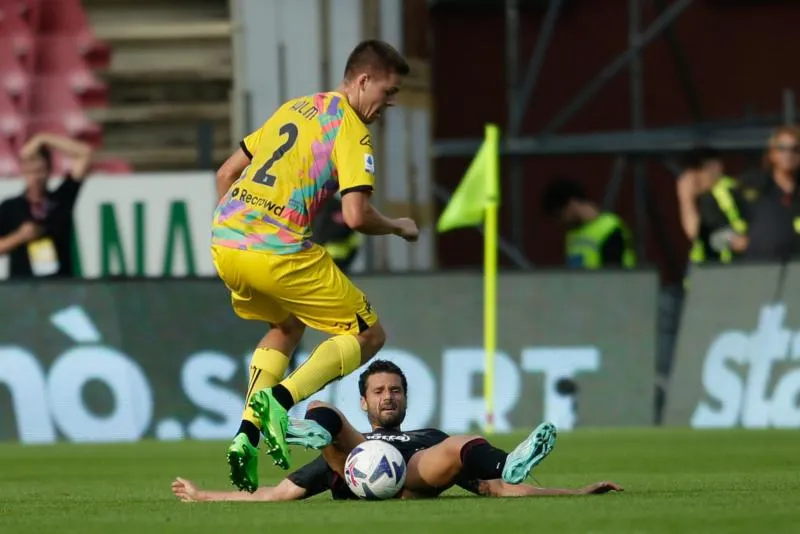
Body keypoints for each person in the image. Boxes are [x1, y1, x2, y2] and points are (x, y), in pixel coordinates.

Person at [210, 39, 419, 491]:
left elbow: (226, 174)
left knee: (285, 326)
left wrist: (237, 229)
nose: (388, 103)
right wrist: (399, 226)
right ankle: (278, 401)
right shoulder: (351, 130)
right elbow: (357, 216)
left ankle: (245, 436)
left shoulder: (296, 108)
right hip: (277, 248)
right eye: (388, 91)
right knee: (367, 334)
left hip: (226, 241)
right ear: (363, 81)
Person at [171, 360, 623, 502]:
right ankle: (299, 428)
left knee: (461, 442)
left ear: (405, 398)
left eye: (396, 391)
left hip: (415, 472)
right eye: (379, 391)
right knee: (322, 408)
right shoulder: (355, 436)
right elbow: (275, 494)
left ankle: (513, 459)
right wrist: (204, 495)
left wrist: (576, 493)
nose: (388, 397)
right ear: (365, 401)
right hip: (353, 462)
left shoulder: (427, 436)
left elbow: (495, 490)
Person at [0, 133, 93, 278]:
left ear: (48, 170)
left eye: (39, 171)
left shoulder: (61, 199)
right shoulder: (10, 207)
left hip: (58, 287)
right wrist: (19, 237)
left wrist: (42, 139)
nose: (35, 177)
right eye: (30, 172)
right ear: (23, 172)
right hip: (22, 289)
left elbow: (84, 154)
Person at [541, 177, 636, 269]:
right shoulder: (572, 234)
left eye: (560, 215)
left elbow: (613, 273)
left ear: (572, 204)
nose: (561, 221)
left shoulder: (609, 228)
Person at [676, 147, 747, 266]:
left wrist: (686, 198)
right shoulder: (705, 196)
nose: (691, 177)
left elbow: (694, 232)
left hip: (725, 271)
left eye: (696, 171)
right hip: (713, 272)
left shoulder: (720, 194)